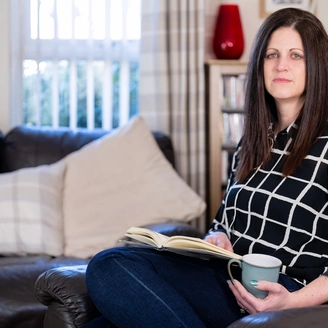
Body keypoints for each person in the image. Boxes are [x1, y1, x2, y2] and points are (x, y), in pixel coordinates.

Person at [83, 7, 328, 328]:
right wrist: (218, 236)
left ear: (318, 65)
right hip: (227, 277)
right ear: (259, 65)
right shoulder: (253, 141)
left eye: (296, 55)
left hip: (285, 292)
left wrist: (293, 301)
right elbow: (223, 221)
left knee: (108, 266)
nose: (281, 65)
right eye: (272, 54)